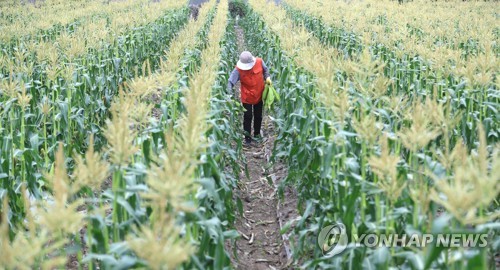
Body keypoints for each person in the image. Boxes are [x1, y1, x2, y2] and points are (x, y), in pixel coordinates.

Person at [228, 51, 272, 146]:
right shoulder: (238, 70)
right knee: (247, 117)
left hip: (259, 94)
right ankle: (247, 137)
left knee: (258, 116)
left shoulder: (260, 62)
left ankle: (256, 134)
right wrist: (230, 95)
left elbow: (265, 70)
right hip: (247, 96)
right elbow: (230, 82)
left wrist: (267, 77)